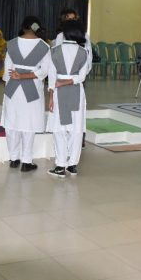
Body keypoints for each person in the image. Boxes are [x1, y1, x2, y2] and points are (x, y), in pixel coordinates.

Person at [1, 16, 52, 172]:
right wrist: (26, 75)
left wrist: (15, 78)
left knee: (12, 123)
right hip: (32, 90)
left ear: (23, 27)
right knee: (28, 125)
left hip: (12, 89)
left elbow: (7, 70)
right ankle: (26, 161)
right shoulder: (44, 46)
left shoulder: (11, 43)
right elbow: (44, 71)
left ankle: (13, 158)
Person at [47, 20, 89, 178]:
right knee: (76, 129)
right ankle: (72, 165)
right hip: (77, 92)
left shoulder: (54, 51)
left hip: (59, 92)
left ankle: (60, 166)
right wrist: (69, 81)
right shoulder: (84, 52)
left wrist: (51, 97)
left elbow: (52, 77)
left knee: (60, 129)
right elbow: (82, 77)